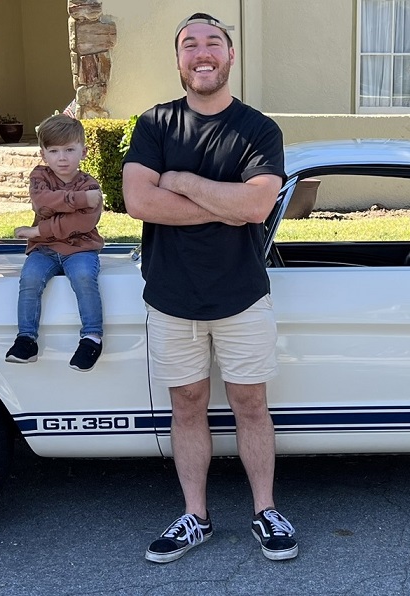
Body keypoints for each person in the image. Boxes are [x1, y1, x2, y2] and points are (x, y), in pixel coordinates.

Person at [122, 12, 296, 563]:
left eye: (213, 42)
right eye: (190, 44)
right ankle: (195, 515)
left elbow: (257, 205)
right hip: (171, 296)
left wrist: (182, 182)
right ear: (178, 59)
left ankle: (265, 511)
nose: (203, 53)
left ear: (230, 55)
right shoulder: (154, 124)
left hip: (242, 294)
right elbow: (139, 202)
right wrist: (224, 204)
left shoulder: (259, 129)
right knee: (187, 405)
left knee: (251, 404)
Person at [6, 114, 106, 371]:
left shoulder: (90, 185)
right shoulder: (40, 177)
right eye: (54, 151)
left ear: (83, 152)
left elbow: (83, 223)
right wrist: (79, 200)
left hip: (80, 248)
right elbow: (42, 203)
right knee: (29, 278)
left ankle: (92, 337)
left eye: (69, 150)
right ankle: (26, 339)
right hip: (44, 250)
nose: (62, 158)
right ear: (43, 154)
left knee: (84, 277)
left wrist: (38, 230)